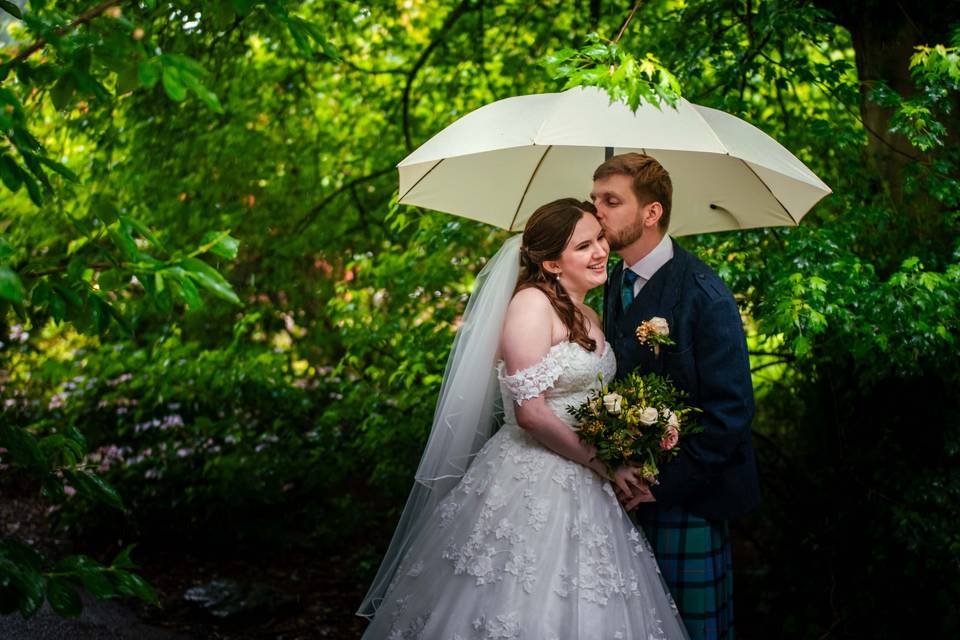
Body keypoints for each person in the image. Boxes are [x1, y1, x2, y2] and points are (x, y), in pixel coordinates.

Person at [357, 198, 689, 639]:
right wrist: (603, 462)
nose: (601, 252)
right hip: (533, 475)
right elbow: (530, 413)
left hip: (586, 480)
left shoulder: (588, 313)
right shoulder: (530, 305)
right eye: (584, 246)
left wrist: (626, 438)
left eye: (601, 239)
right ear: (552, 263)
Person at [591, 153, 761, 640]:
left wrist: (658, 486)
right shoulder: (613, 279)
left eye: (611, 201)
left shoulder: (706, 295)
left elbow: (731, 415)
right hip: (621, 494)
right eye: (595, 199)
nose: (597, 211)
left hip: (690, 497)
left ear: (651, 213)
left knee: (690, 631)